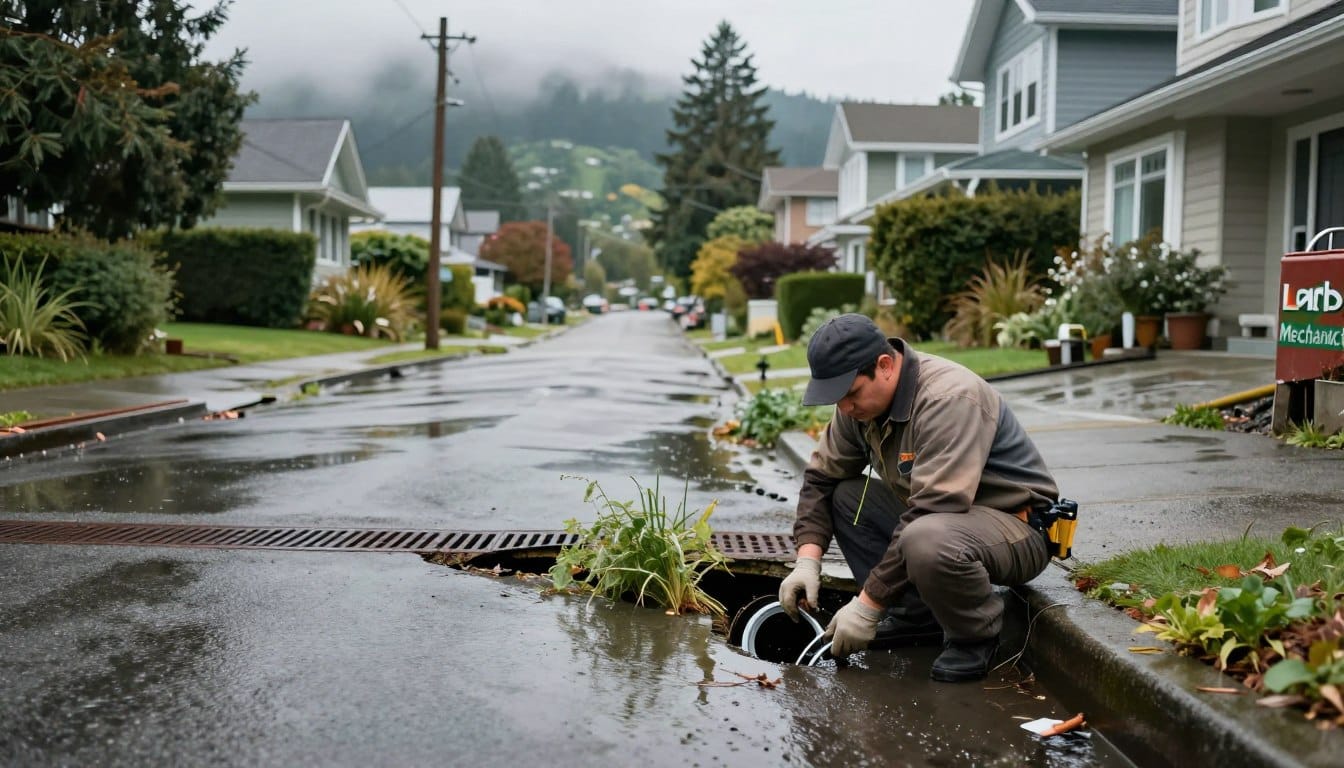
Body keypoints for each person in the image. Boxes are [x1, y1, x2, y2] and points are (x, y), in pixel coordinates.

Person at [777, 313, 1059, 682]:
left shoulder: (948, 398)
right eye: (837, 398)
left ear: (885, 365)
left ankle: (974, 636)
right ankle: (915, 616)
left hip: (1017, 529)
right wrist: (807, 560)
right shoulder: (857, 409)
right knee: (844, 496)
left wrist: (867, 605)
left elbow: (932, 510)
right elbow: (821, 478)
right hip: (944, 521)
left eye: (851, 394)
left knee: (925, 537)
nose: (844, 408)